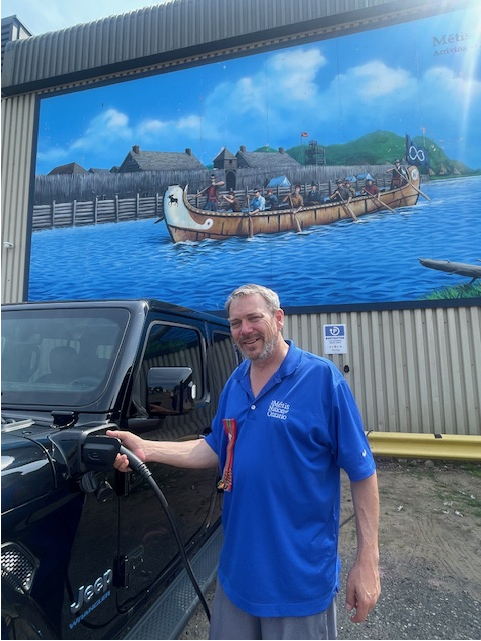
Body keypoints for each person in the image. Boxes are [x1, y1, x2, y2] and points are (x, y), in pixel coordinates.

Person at [107, 283, 381, 641]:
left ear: (279, 319)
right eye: (236, 323)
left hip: (297, 582)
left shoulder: (321, 380)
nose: (244, 330)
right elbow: (216, 449)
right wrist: (146, 448)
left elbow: (363, 473)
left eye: (254, 318)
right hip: (237, 576)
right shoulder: (236, 382)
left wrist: (368, 562)